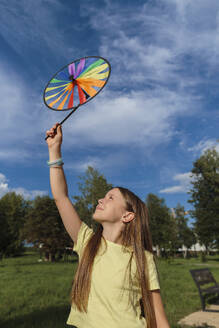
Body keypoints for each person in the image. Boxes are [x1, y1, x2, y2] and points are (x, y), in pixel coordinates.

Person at [46, 123, 170, 328]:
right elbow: (61, 197)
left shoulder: (142, 258)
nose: (100, 200)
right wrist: (54, 150)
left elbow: (158, 318)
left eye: (110, 197)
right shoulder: (86, 242)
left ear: (127, 216)